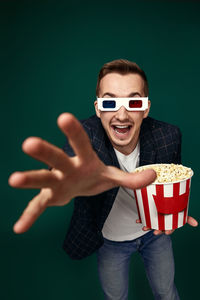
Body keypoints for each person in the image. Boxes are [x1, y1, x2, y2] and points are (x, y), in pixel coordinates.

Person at [9, 59, 198, 300]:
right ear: (98, 109)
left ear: (146, 108)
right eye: (110, 102)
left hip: (155, 234)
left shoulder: (168, 136)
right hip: (110, 240)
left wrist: (175, 211)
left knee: (166, 293)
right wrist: (62, 177)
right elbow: (70, 160)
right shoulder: (86, 135)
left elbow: (173, 179)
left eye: (133, 102)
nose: (121, 113)